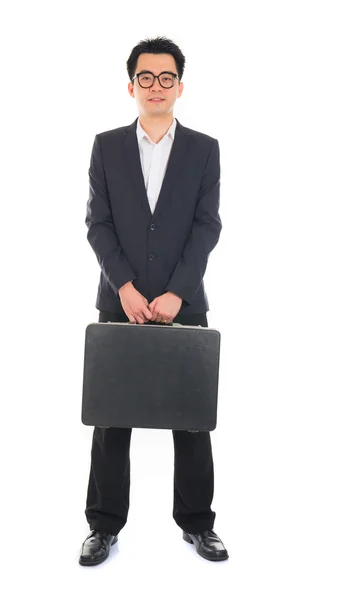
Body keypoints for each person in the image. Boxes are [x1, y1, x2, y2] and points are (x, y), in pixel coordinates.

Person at [79, 36, 228, 566]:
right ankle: (102, 526)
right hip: (119, 298)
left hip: (182, 302)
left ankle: (197, 524)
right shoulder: (106, 145)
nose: (156, 86)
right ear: (132, 85)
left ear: (180, 86)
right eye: (147, 77)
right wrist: (124, 287)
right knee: (110, 419)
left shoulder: (204, 149)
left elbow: (206, 226)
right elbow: (98, 225)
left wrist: (176, 292)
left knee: (190, 419)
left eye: (167, 77)